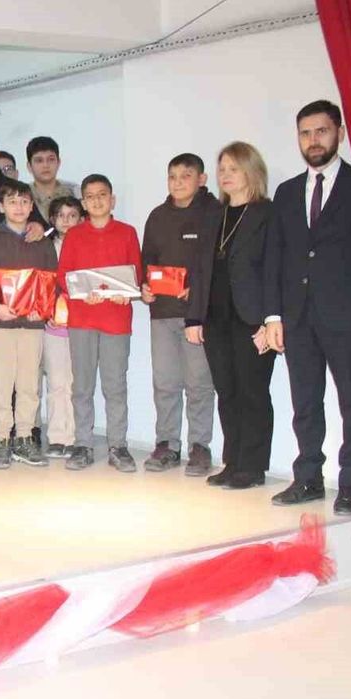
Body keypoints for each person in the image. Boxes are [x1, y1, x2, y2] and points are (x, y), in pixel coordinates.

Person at [264, 100, 351, 515]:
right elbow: (275, 258)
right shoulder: (287, 192)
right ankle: (308, 477)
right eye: (305, 133)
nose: (313, 140)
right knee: (305, 403)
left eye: (321, 131)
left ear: (339, 133)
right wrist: (273, 316)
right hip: (298, 317)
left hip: (350, 315)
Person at [185, 143, 276, 491]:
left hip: (253, 319)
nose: (225, 175)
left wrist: (270, 321)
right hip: (216, 317)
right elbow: (199, 270)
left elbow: (277, 269)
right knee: (226, 391)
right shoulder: (214, 215)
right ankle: (233, 461)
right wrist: (194, 318)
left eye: (233, 168)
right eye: (222, 168)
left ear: (251, 171)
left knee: (253, 392)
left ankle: (252, 467)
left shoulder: (268, 213)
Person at [57, 174, 143, 472]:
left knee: (115, 386)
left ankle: (118, 446)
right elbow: (64, 276)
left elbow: (136, 274)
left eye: (102, 194)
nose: (97, 201)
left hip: (116, 321)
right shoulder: (74, 235)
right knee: (82, 386)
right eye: (90, 196)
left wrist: (127, 293)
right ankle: (83, 444)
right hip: (82, 320)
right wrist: (82, 294)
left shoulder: (127, 233)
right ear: (83, 203)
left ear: (112, 199)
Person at [138, 153, 218, 476]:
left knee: (199, 383)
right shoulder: (158, 216)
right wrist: (145, 287)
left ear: (202, 179)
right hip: (162, 313)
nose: (178, 182)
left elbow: (216, 265)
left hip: (197, 315)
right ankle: (167, 444)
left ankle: (200, 446)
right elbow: (147, 261)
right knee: (165, 382)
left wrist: (197, 289)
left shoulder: (214, 213)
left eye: (186, 176)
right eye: (172, 176)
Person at [0, 180, 58, 469]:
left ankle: (23, 437)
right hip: (0, 325)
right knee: (1, 383)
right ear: (1, 207)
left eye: (24, 202)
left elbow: (52, 282)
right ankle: (2, 438)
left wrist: (42, 310)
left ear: (31, 206)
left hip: (32, 325)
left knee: (29, 384)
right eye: (12, 202)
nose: (18, 207)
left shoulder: (43, 243)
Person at [41, 196, 82, 459]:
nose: (66, 220)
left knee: (77, 384)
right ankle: (57, 436)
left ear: (81, 218)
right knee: (57, 382)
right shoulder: (45, 247)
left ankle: (76, 437)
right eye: (61, 215)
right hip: (53, 324)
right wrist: (48, 311)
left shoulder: (87, 246)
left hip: (82, 324)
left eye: (72, 215)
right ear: (52, 219)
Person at [25, 136, 79, 220]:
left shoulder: (75, 193)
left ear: (58, 163)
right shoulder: (23, 195)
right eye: (39, 160)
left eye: (51, 159)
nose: (46, 165)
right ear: (29, 166)